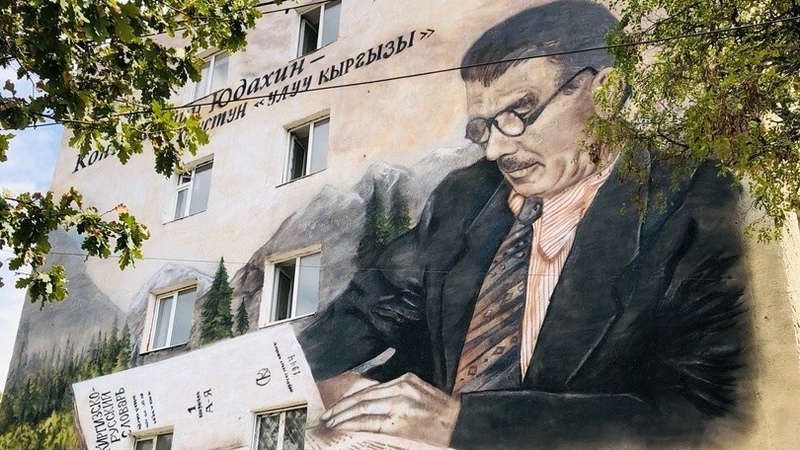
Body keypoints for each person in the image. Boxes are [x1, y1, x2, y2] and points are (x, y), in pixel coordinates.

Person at [299, 2, 748, 448]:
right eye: (483, 127)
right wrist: (294, 377)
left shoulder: (694, 202)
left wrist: (466, 424)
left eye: (519, 113)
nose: (496, 150)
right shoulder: (465, 195)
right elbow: (373, 304)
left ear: (607, 93)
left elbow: (708, 413)